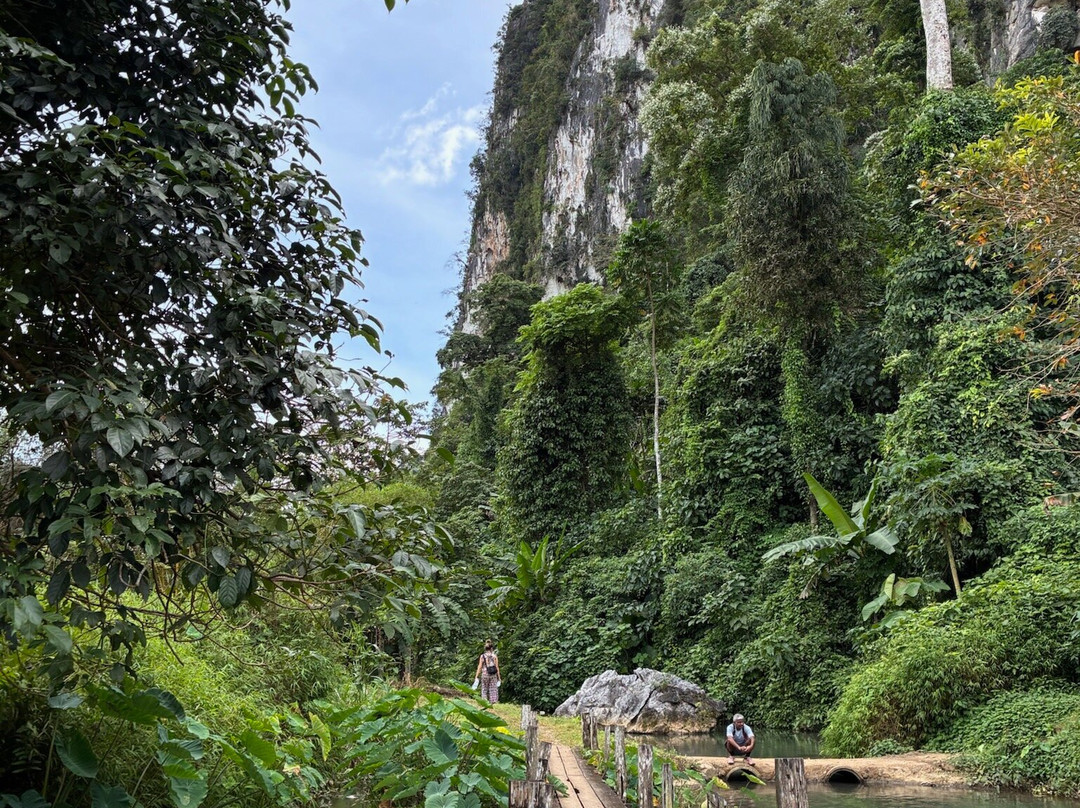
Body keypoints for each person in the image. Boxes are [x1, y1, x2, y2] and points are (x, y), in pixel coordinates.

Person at [473, 639, 501, 703]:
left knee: (484, 688)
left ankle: (484, 701)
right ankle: (493, 702)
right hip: (493, 674)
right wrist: (499, 677)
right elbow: (497, 667)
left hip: (485, 674)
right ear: (491, 648)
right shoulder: (494, 656)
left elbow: (480, 667)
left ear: (485, 649)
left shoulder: (482, 656)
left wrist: (476, 676)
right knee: (493, 689)